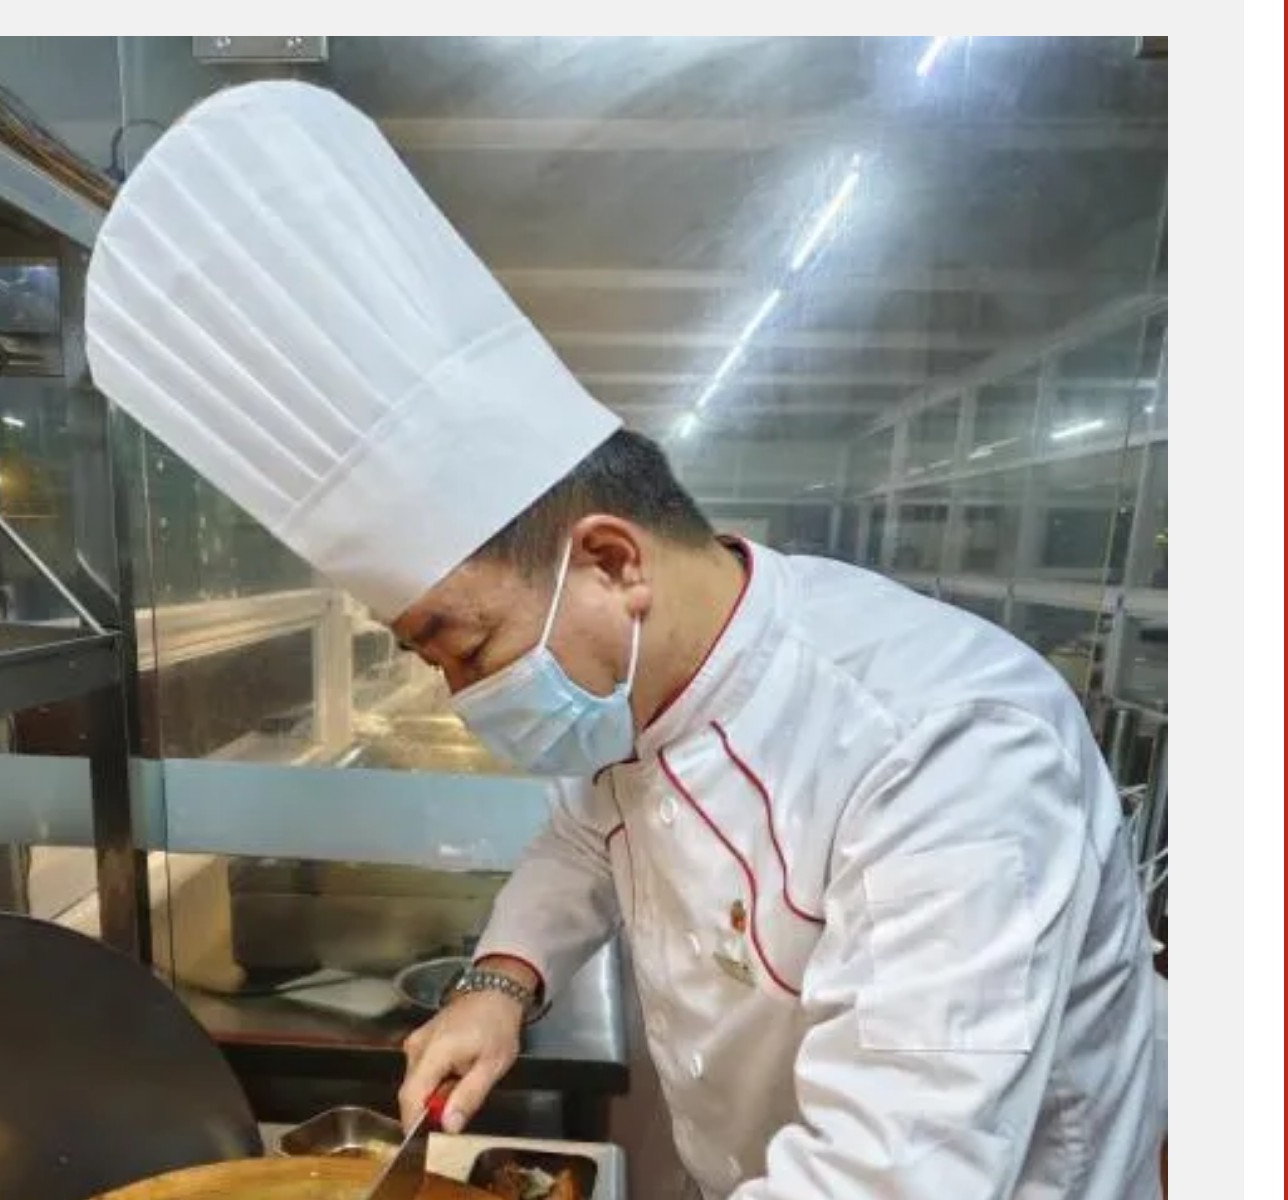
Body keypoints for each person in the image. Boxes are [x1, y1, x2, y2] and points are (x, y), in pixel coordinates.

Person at [86, 80, 1163, 1199]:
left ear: (609, 563)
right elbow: (585, 834)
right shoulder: (649, 693)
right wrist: (498, 985)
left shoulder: (947, 747)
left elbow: (896, 1177)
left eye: (464, 646)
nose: (460, 695)